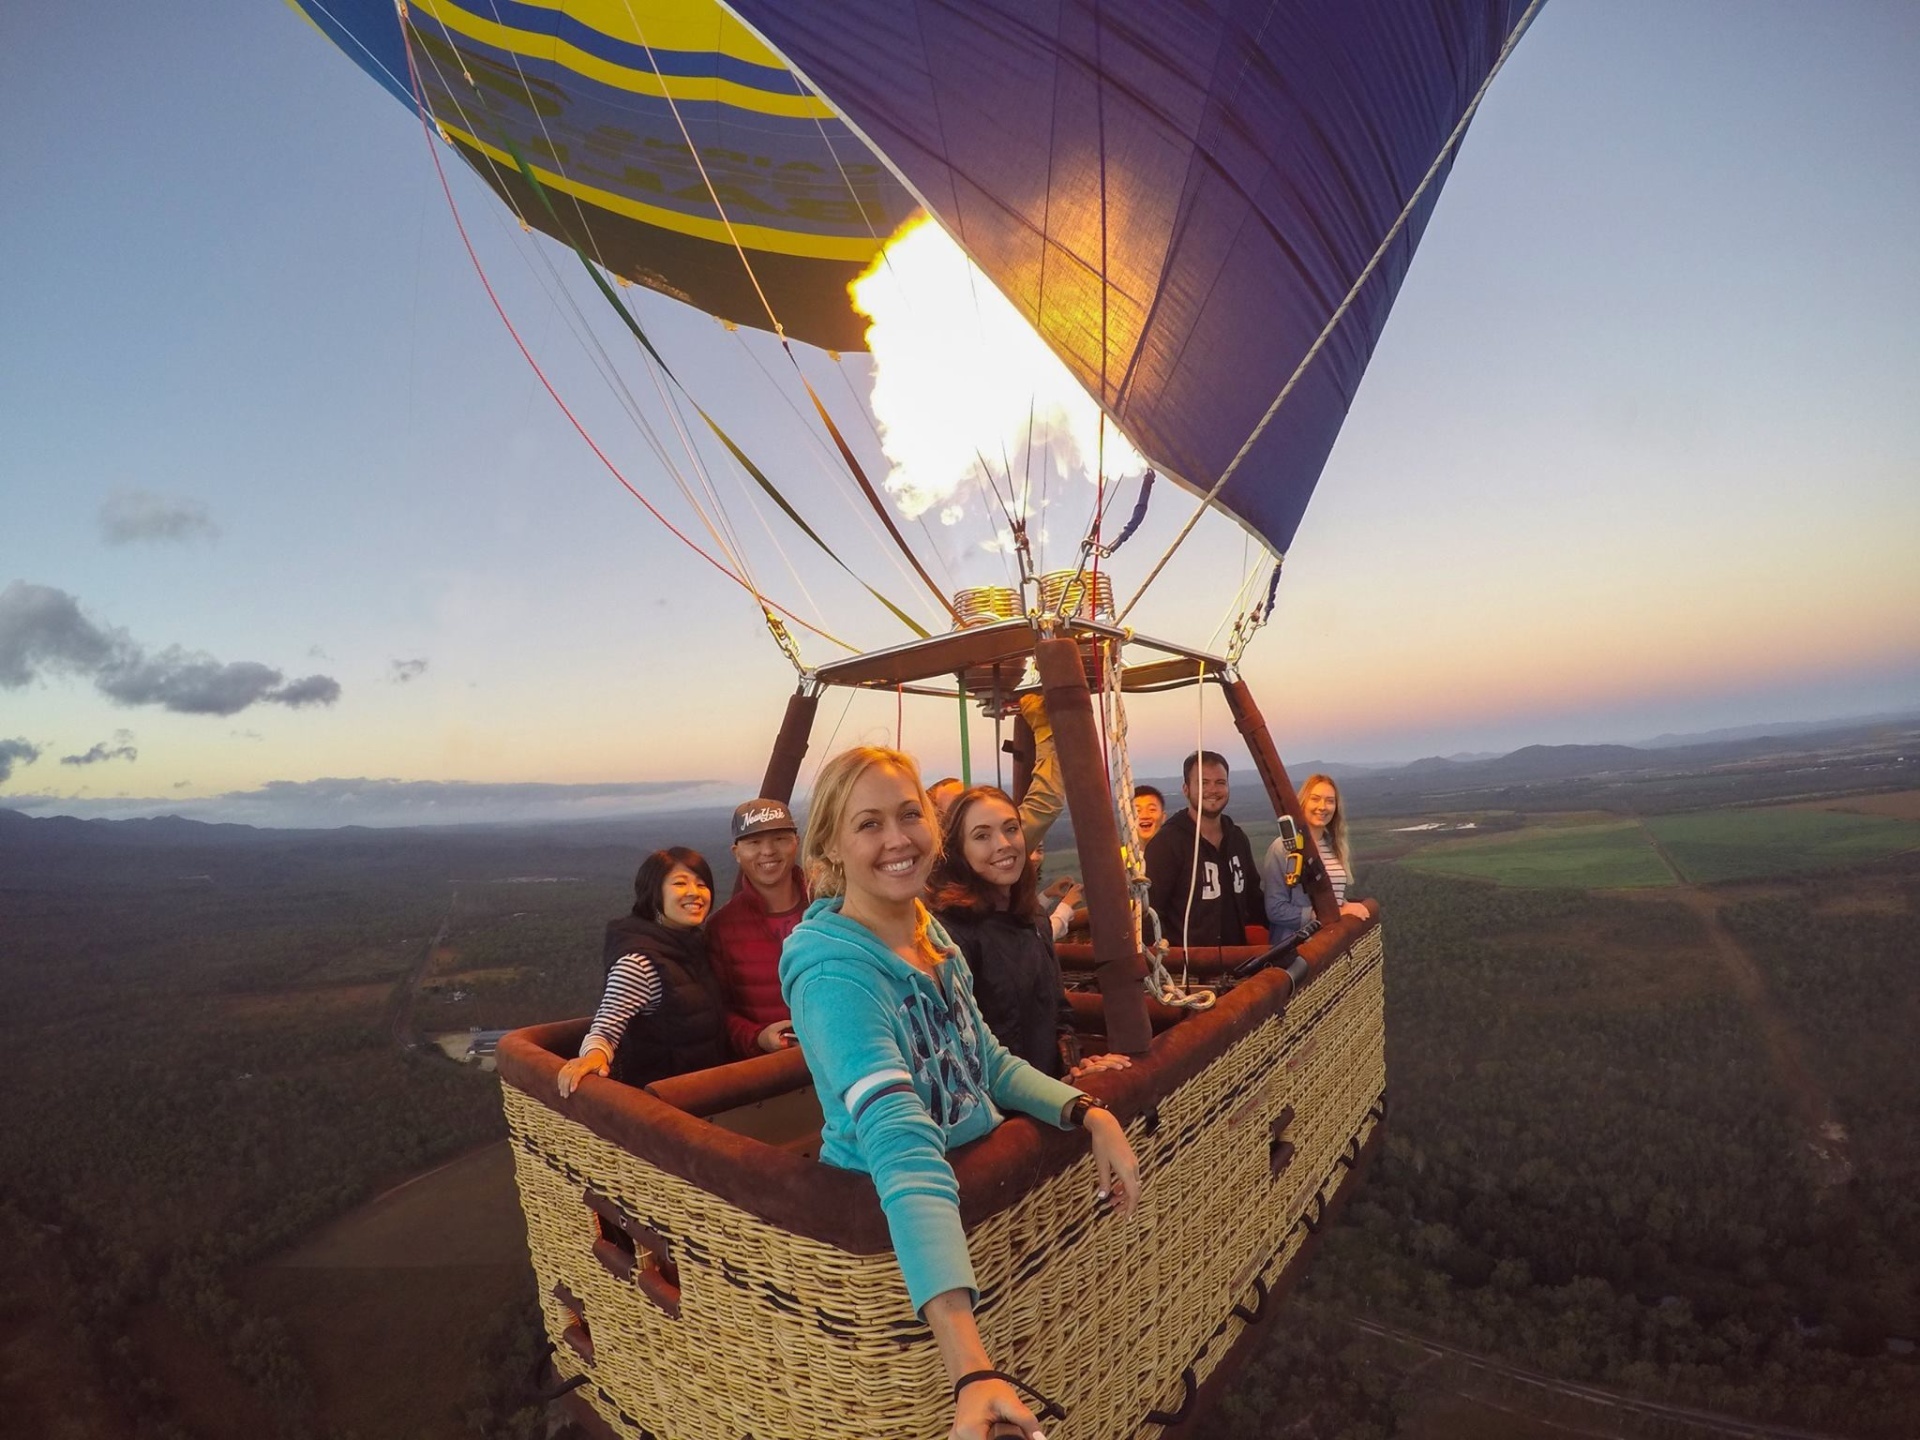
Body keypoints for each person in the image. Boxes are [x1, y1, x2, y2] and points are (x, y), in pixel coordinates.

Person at [781, 746, 1139, 1440]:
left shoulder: (928, 932)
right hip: (898, 1252)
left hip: (971, 1225)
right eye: (868, 824)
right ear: (830, 845)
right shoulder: (835, 976)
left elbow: (988, 1063)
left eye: (909, 815)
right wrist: (971, 1370)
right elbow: (902, 1145)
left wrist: (1089, 1113)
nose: (896, 840)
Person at [931, 786, 1129, 1080]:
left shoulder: (1033, 917)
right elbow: (961, 1047)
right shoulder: (951, 933)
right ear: (959, 851)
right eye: (982, 836)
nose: (1003, 844)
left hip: (1047, 1092)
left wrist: (1073, 1066)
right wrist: (1044, 1095)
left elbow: (1057, 1011)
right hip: (1002, 1110)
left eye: (1011, 829)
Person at [557, 847, 726, 1096]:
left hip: (705, 1093)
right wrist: (593, 1056)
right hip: (667, 1105)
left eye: (702, 885)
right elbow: (605, 1027)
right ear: (654, 894)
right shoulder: (640, 963)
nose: (694, 893)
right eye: (680, 883)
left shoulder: (694, 944)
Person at [709, 798, 805, 1056]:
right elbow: (717, 1011)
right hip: (772, 1076)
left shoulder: (831, 905)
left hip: (845, 1058)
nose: (768, 851)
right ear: (736, 853)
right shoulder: (722, 928)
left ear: (796, 842)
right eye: (754, 842)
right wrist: (758, 1037)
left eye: (780, 839)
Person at [1145, 750, 1264, 949]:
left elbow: (1254, 900)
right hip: (1186, 972)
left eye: (1220, 782)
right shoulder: (1166, 844)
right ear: (1186, 789)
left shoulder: (1237, 839)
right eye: (1203, 783)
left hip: (1237, 963)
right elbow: (1151, 912)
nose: (1212, 790)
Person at [1262, 773, 1370, 940]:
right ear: (1303, 803)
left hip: (1330, 944)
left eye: (1330, 801)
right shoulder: (1282, 848)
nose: (1322, 806)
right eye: (1315, 799)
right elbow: (1276, 910)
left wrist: (1344, 904)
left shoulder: (1334, 845)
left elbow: (1331, 894)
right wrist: (1331, 914)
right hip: (1299, 951)